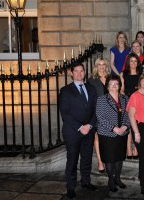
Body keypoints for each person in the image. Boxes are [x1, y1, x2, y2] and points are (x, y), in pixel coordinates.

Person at [59, 63, 98, 199]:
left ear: (85, 72)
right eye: (76, 71)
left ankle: (86, 182)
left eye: (82, 71)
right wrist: (81, 127)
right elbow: (65, 113)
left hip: (89, 130)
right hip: (73, 131)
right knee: (72, 159)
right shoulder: (65, 90)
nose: (79, 73)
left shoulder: (91, 88)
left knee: (87, 158)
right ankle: (70, 187)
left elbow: (95, 109)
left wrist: (90, 125)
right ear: (71, 73)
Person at [95, 76, 131, 192]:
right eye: (112, 83)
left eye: (116, 83)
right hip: (107, 134)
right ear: (107, 86)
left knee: (119, 157)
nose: (114, 86)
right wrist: (114, 128)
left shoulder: (125, 98)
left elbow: (129, 114)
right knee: (110, 158)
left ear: (120, 85)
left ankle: (118, 178)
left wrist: (125, 126)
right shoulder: (102, 99)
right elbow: (100, 117)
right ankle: (110, 179)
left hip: (122, 133)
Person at [88, 58, 110, 173]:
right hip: (97, 111)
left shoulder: (110, 78)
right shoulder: (92, 80)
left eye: (104, 64)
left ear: (106, 66)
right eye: (99, 65)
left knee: (108, 136)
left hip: (110, 112)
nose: (102, 67)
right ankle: (100, 161)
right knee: (97, 136)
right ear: (96, 66)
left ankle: (108, 158)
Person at [120, 53, 142, 159]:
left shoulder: (141, 74)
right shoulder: (123, 74)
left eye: (135, 61)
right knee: (128, 126)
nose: (133, 63)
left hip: (139, 102)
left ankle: (136, 148)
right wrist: (126, 100)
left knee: (137, 125)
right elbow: (122, 89)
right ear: (128, 62)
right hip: (127, 101)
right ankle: (129, 148)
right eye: (131, 61)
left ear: (138, 63)